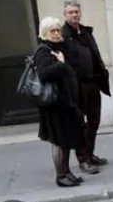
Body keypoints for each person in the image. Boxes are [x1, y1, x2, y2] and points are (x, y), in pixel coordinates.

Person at [33, 17, 86, 187]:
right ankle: (61, 176)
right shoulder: (43, 51)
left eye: (58, 30)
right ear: (45, 33)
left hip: (64, 103)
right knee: (59, 141)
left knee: (66, 140)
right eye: (52, 31)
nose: (56, 33)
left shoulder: (57, 47)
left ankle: (67, 172)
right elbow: (44, 74)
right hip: (54, 105)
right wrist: (61, 64)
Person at [61, 0, 110, 173]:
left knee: (94, 121)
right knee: (80, 124)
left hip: (93, 83)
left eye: (76, 11)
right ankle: (83, 159)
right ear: (65, 14)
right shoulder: (63, 35)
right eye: (70, 12)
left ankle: (89, 153)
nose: (74, 14)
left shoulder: (85, 32)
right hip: (77, 87)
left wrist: (102, 74)